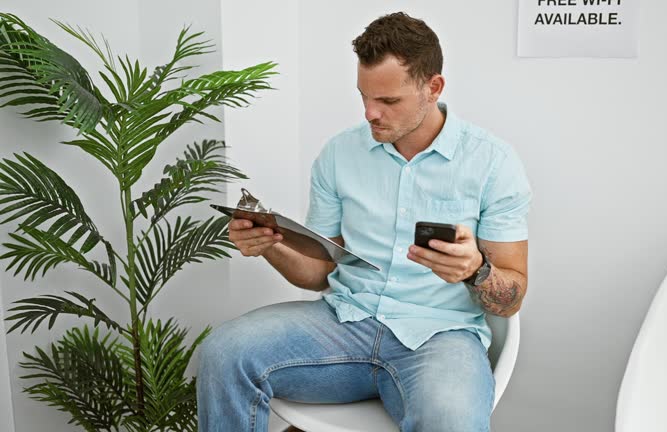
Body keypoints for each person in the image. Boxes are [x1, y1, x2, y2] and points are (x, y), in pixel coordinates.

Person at [197, 11, 532, 432]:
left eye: (389, 101)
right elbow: (320, 273)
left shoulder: (492, 163)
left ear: (434, 87)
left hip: (439, 337)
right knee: (224, 353)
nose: (371, 113)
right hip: (344, 323)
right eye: (364, 97)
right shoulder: (339, 155)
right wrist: (273, 246)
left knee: (452, 419)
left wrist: (475, 270)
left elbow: (513, 296)